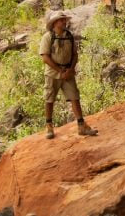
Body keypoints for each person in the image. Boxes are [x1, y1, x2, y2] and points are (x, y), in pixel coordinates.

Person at [39, 10, 98, 138]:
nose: (64, 22)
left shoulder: (69, 36)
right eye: (61, 20)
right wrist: (60, 71)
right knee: (49, 99)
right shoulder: (48, 37)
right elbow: (45, 58)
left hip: (68, 73)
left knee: (75, 98)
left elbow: (75, 55)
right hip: (52, 74)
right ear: (55, 22)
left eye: (64, 19)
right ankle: (49, 126)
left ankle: (81, 126)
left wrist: (70, 70)